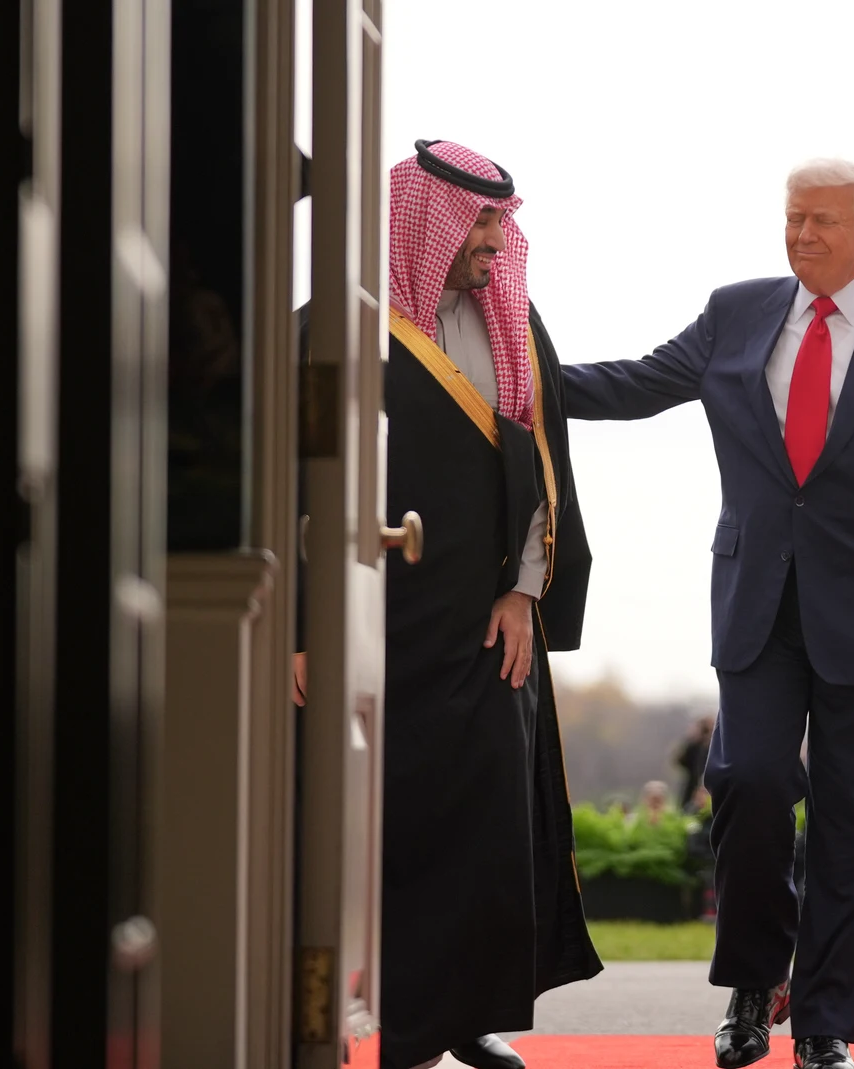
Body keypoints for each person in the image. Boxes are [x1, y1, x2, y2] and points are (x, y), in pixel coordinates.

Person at [563, 158, 854, 1069]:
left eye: (822, 222)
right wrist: (520, 379)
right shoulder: (737, 312)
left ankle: (826, 1022)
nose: (801, 235)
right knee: (752, 781)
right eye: (792, 218)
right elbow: (641, 381)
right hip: (760, 600)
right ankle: (753, 984)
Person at [294, 139, 601, 1069]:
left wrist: (523, 590)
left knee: (481, 826)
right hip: (362, 623)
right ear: (421, 219)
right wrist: (301, 630)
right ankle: (326, 1020)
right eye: (476, 221)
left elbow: (544, 467)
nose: (495, 243)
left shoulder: (514, 321)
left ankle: (452, 1018)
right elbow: (296, 482)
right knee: (363, 826)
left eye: (501, 222)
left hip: (482, 628)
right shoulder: (330, 327)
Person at [677, 715, 718, 811]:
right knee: (688, 811)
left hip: (708, 788)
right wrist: (692, 738)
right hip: (692, 786)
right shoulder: (693, 746)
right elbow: (680, 760)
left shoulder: (714, 746)